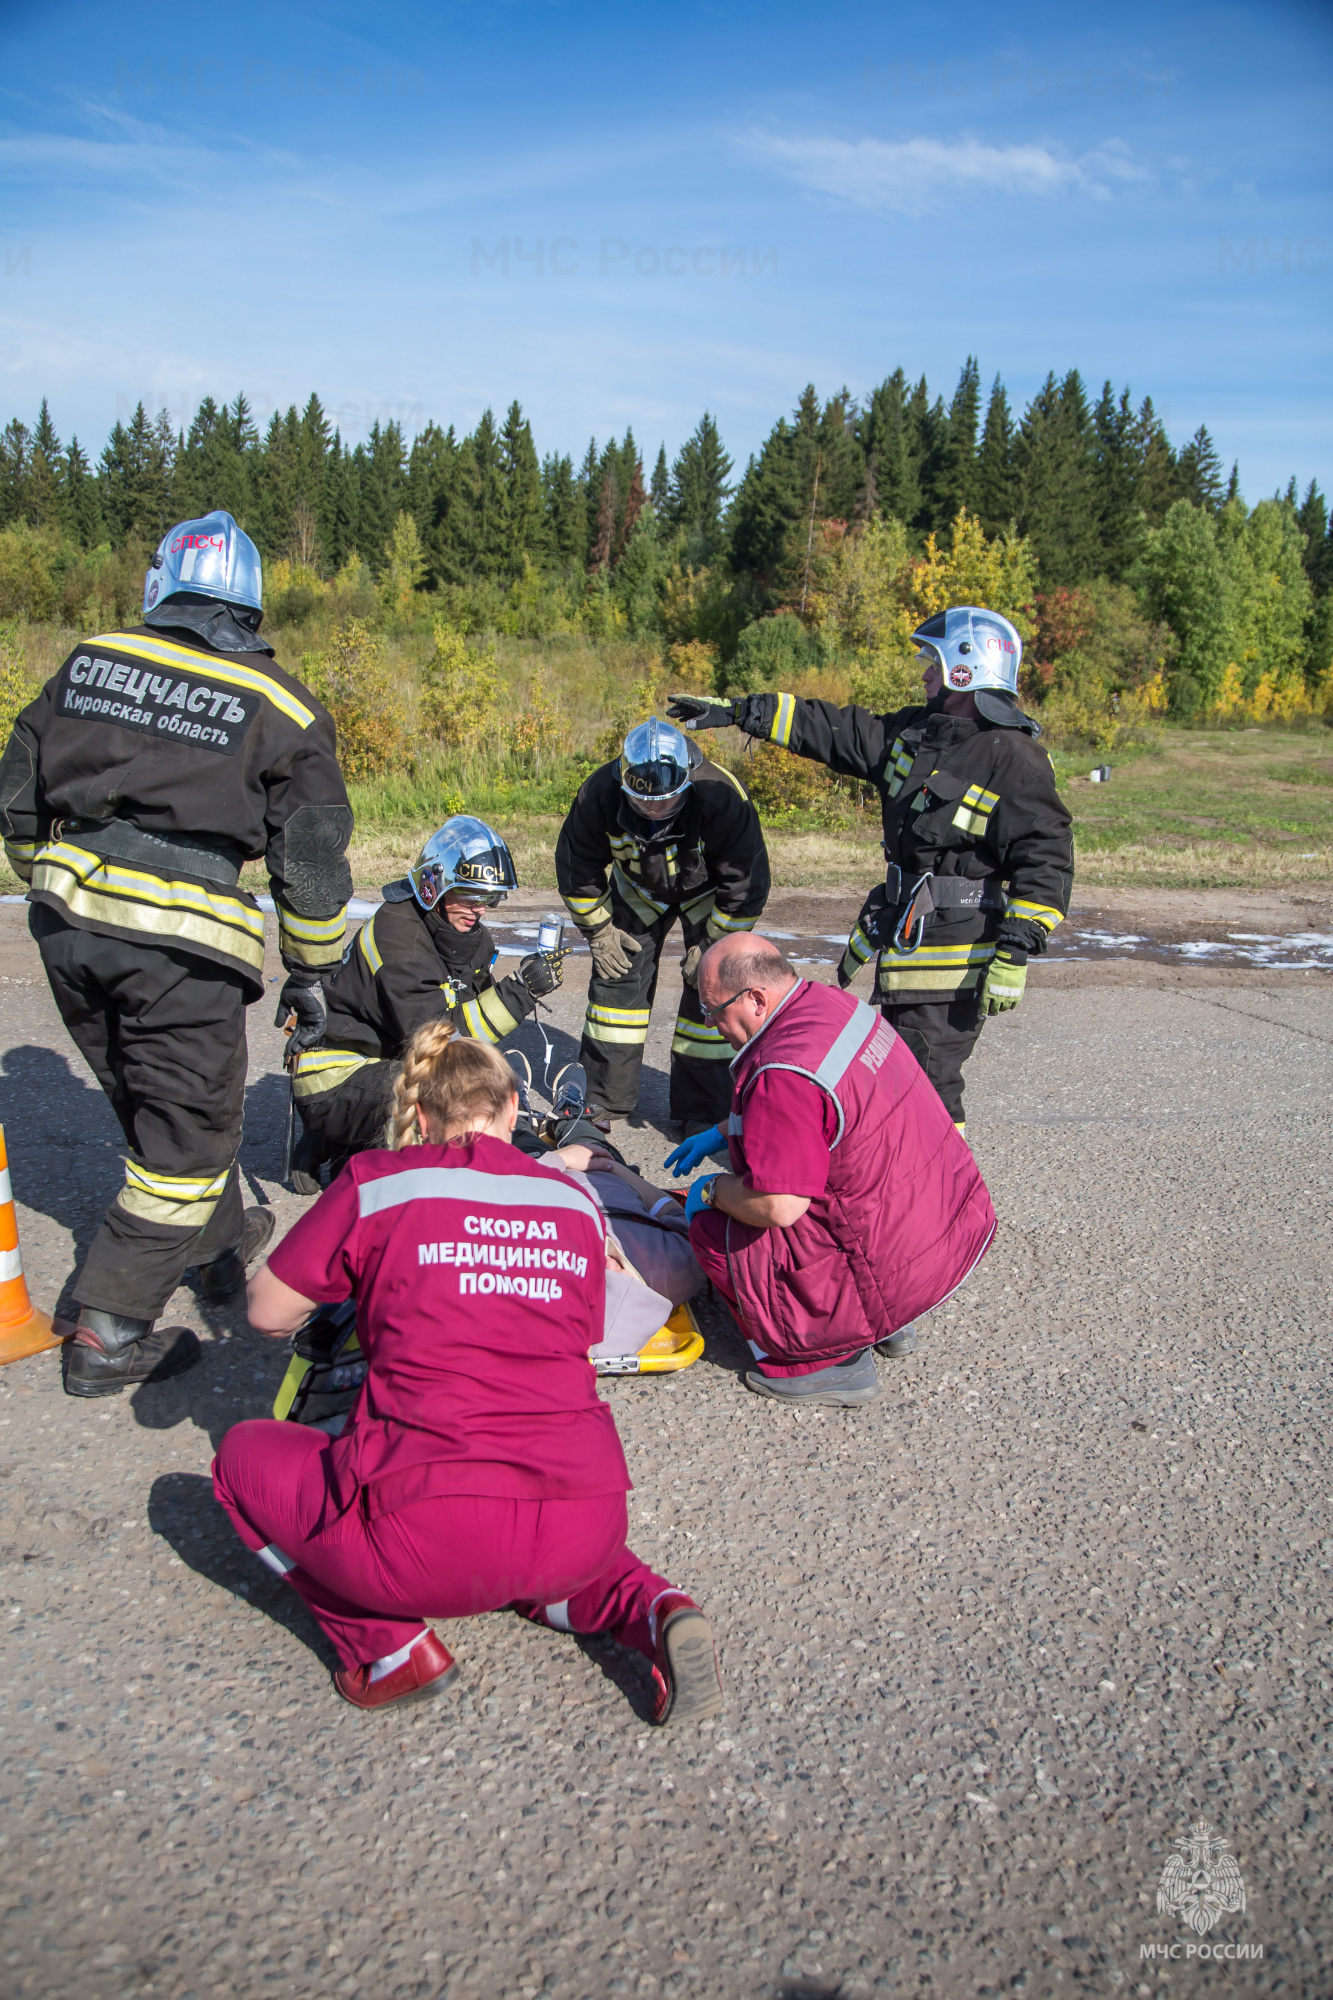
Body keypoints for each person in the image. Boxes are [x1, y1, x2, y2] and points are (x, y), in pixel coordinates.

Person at [215, 1021, 725, 1721]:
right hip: (585, 1509)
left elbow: (267, 1312)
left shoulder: (379, 1184)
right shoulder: (573, 1202)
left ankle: (391, 1649)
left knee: (242, 1459)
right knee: (555, 1552)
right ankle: (650, 1605)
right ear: (513, 1109)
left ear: (419, 1116)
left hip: (424, 1523)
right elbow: (584, 1329)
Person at [0, 510, 352, 1396]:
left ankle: (224, 1243)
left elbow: (13, 794)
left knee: (156, 1105)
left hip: (67, 922)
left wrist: (52, 878)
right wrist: (312, 975)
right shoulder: (284, 706)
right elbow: (307, 865)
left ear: (162, 584)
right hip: (183, 949)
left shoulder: (90, 660)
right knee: (186, 1148)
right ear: (252, 607)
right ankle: (110, 1328)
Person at [670, 605, 1073, 1130]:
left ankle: (940, 1197)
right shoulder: (918, 734)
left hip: (956, 952)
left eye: (934, 661)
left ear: (965, 669)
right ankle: (917, 1188)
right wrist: (742, 712)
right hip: (910, 941)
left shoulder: (1012, 757)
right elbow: (836, 731)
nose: (925, 671)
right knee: (906, 1075)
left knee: (930, 1083)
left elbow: (1046, 854)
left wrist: (1018, 948)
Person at [666, 935, 996, 1407]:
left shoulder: (781, 1070)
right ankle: (893, 1321)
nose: (711, 1024)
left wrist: (713, 1190)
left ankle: (827, 1361)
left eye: (714, 1010)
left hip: (887, 1259)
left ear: (755, 1000)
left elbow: (778, 1206)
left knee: (714, 1229)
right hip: (940, 1230)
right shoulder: (828, 1004)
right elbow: (813, 1115)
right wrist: (722, 1132)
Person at [289, 815, 565, 1191]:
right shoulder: (399, 938)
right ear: (434, 885)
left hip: (381, 1060)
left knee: (466, 1081)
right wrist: (519, 993)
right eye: (470, 895)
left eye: (490, 898)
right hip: (334, 1074)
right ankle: (366, 1162)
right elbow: (438, 1042)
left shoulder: (465, 935)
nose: (481, 908)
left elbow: (469, 1010)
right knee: (443, 1093)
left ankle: (342, 1143)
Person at [555, 716, 769, 1133]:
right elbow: (576, 867)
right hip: (639, 890)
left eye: (666, 801)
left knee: (712, 990)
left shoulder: (722, 798)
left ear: (687, 784)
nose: (654, 809)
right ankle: (604, 1098)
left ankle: (705, 1110)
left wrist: (714, 946)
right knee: (616, 984)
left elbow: (746, 883)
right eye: (643, 802)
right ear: (623, 783)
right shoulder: (597, 793)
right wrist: (599, 931)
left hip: (706, 894)